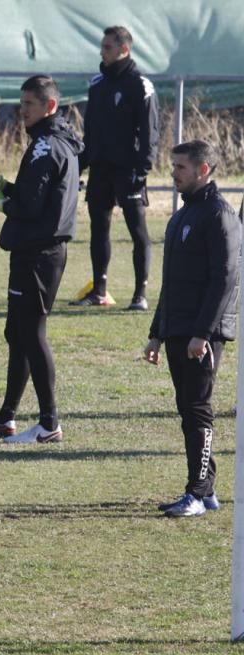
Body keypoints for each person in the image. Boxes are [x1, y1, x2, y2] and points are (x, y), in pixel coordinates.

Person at [0, 75, 83, 444]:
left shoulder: (47, 145)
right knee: (17, 335)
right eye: (21, 104)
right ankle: (6, 418)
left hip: (39, 253)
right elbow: (37, 195)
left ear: (49, 106)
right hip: (35, 250)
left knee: (32, 334)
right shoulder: (52, 142)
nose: (22, 112)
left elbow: (29, 207)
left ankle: (49, 423)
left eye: (29, 105)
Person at [144, 140, 241, 517]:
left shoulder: (219, 215)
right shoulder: (183, 216)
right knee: (188, 408)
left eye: (181, 167)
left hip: (203, 333)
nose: (173, 173)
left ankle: (197, 494)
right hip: (178, 329)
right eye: (173, 166)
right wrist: (157, 331)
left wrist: (204, 332)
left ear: (203, 170)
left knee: (198, 409)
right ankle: (209, 490)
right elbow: (170, 281)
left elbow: (226, 279)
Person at [72, 25, 159, 311]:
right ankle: (99, 291)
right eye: (102, 46)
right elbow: (91, 132)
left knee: (138, 232)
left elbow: (150, 133)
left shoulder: (140, 85)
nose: (102, 51)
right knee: (99, 230)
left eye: (107, 47)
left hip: (128, 171)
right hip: (101, 170)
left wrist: (142, 168)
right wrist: (80, 166)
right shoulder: (97, 84)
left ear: (124, 49)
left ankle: (140, 296)